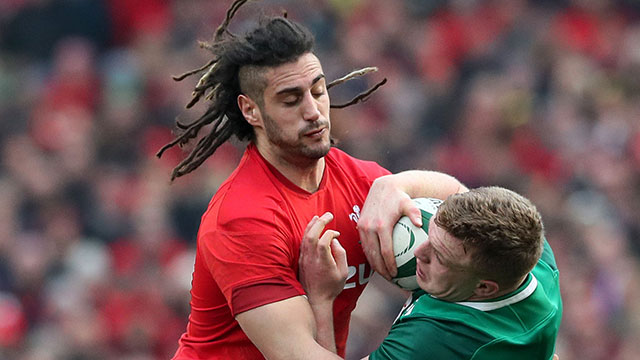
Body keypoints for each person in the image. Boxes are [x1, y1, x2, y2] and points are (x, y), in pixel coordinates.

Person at [159, 1, 467, 358]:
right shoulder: (243, 219)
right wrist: (321, 302)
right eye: (290, 100)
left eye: (318, 91)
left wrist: (396, 185)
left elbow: (463, 201)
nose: (313, 111)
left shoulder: (358, 181)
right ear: (250, 110)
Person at [301, 186, 563, 359]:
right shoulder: (532, 255)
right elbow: (450, 186)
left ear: (484, 288)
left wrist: (322, 299)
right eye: (431, 233)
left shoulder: (435, 341)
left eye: (439, 255)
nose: (419, 252)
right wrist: (387, 186)